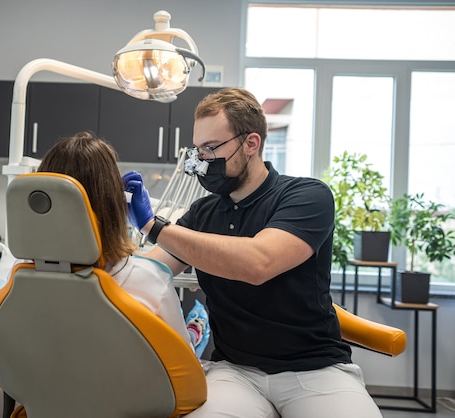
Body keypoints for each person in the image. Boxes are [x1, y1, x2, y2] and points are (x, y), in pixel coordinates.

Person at [123, 88, 383, 418]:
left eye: (211, 148)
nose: (203, 160)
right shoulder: (202, 214)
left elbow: (259, 263)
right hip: (235, 371)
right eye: (198, 149)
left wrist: (155, 226)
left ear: (251, 143)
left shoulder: (306, 196)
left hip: (315, 369)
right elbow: (150, 270)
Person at [37, 131, 201, 351]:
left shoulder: (19, 283)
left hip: (54, 384)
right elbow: (187, 374)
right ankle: (195, 330)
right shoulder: (152, 284)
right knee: (193, 340)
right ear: (114, 205)